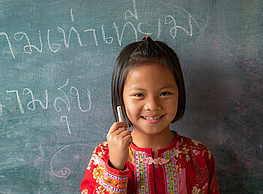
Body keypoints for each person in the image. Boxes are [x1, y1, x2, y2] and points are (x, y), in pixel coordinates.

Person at [80, 36, 219, 193]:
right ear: (121, 98)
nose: (152, 105)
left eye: (165, 93)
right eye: (139, 95)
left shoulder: (199, 156)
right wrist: (115, 166)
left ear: (179, 93)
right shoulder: (104, 156)